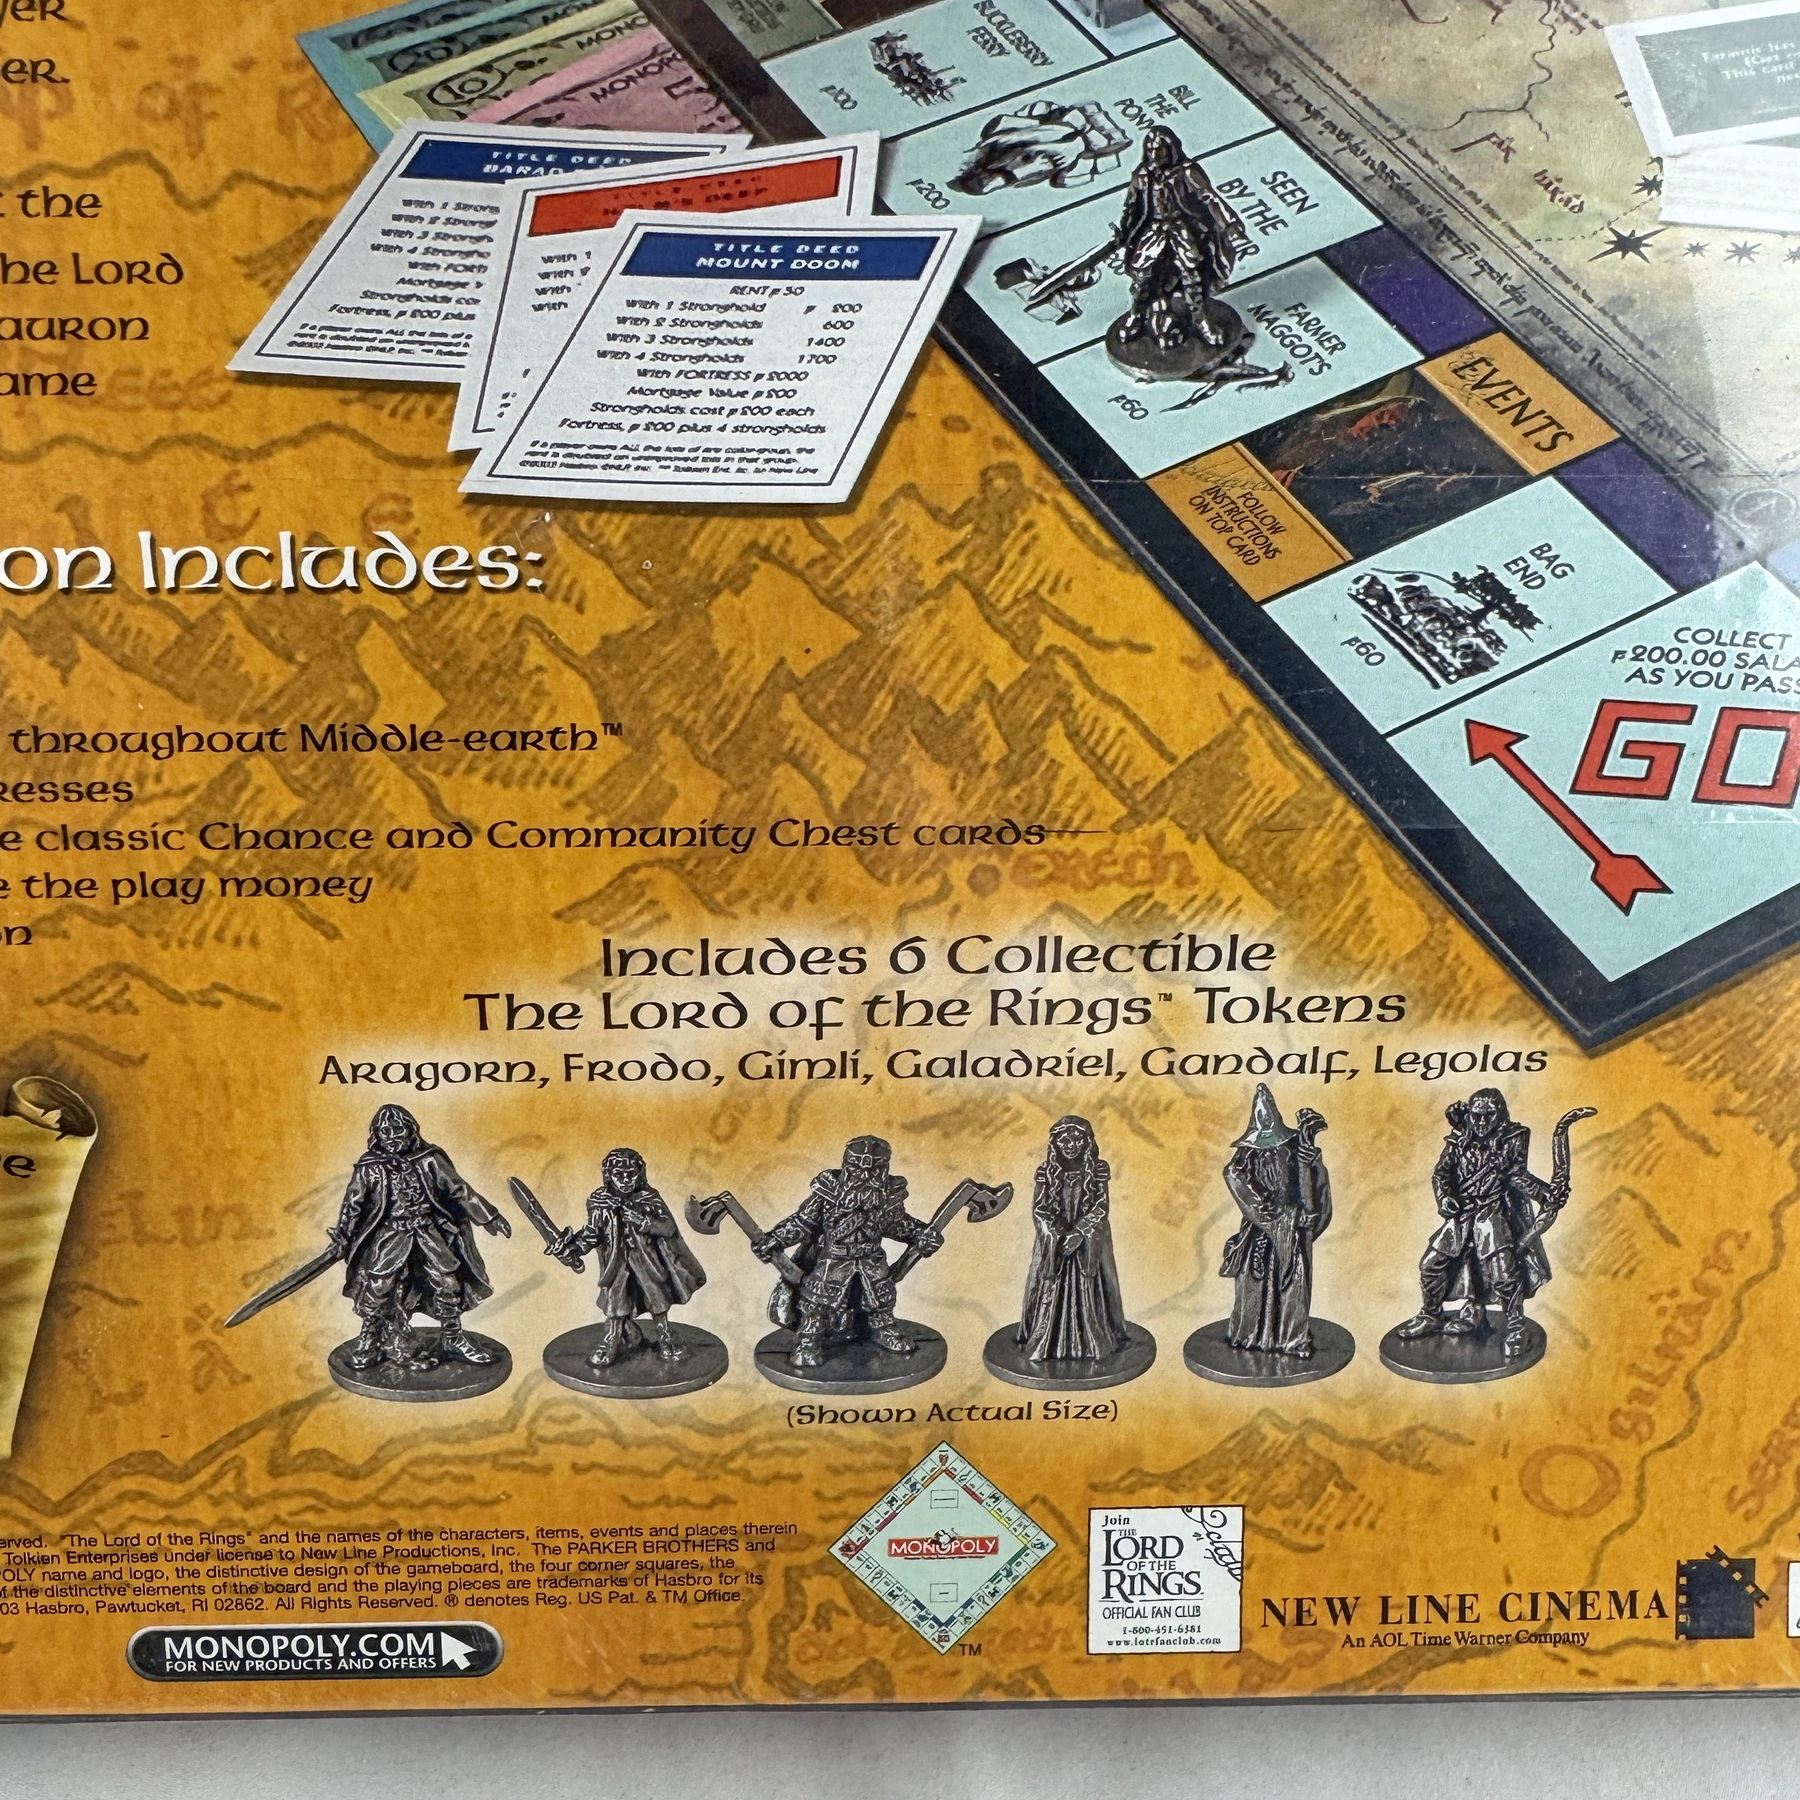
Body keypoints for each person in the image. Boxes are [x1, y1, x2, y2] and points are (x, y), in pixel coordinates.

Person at [333, 1103, 511, 1372]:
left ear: (410, 1130)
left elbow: (458, 1189)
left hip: (427, 1232)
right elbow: (353, 1204)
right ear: (376, 1135)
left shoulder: (430, 1159)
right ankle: (370, 1340)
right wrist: (343, 1237)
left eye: (398, 1129)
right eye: (385, 1131)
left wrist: (489, 1216)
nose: (392, 1136)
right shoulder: (370, 1167)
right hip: (391, 1236)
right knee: (379, 1286)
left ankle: (452, 1337)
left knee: (448, 1282)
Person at [1395, 1088, 1570, 1361]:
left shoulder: (1510, 1140)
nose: (1481, 1122)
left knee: (1503, 1273)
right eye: (1476, 1115)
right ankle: (1431, 1315)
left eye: (1488, 1115)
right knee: (1431, 1265)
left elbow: (1517, 1176)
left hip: (1492, 1213)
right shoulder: (1459, 1139)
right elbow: (1441, 1173)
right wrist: (1444, 1197)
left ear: (1500, 1115)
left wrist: (1546, 1194)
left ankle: (1516, 1327)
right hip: (1462, 1213)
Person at [753, 1135, 943, 1369]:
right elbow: (802, 1223)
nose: (864, 1175)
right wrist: (775, 1239)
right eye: (857, 1167)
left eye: (873, 1169)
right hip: (834, 1258)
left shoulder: (888, 1197)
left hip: (871, 1258)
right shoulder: (827, 1193)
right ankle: (809, 1340)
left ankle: (883, 1329)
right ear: (847, 1165)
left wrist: (922, 1234)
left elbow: (898, 1224)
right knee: (818, 1301)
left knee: (880, 1297)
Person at [560, 1147, 706, 1368]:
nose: (626, 1180)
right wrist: (576, 1248)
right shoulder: (599, 1202)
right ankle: (613, 1337)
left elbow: (668, 1227)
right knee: (616, 1300)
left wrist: (643, 1221)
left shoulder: (649, 1198)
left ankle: (665, 1332)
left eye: (631, 1174)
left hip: (647, 1260)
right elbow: (592, 1233)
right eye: (619, 1174)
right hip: (615, 1263)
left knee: (657, 1296)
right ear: (608, 1175)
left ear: (640, 1173)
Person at [1219, 1086, 1330, 1357]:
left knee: (1294, 1283)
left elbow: (1313, 1187)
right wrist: (1270, 1211)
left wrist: (1314, 1165)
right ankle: (1250, 1336)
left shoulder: (1293, 1148)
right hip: (1260, 1232)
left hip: (1293, 1232)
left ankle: (1292, 1338)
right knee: (1254, 1284)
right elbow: (1234, 1176)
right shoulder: (1245, 1157)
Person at [1115, 125, 1246, 353]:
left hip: (1181, 229)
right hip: (1154, 230)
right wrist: (1124, 231)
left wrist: (1229, 223)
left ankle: (1201, 321)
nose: (1155, 154)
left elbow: (1209, 197)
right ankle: (1136, 316)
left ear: (1171, 149)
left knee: (1192, 276)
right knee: (1144, 277)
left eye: (1160, 149)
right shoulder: (1142, 175)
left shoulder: (1186, 171)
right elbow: (1132, 206)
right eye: (1150, 149)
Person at [1016, 1115, 1130, 1363]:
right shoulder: (1046, 1172)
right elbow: (1040, 1209)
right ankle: (1047, 1341)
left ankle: (1093, 1339)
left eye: (1078, 1139)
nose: (1071, 1145)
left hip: (1088, 1244)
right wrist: (1056, 1235)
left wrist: (1080, 1233)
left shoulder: (1098, 1170)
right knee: (1051, 1288)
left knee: (1091, 1289)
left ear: (1088, 1142)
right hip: (1055, 1244)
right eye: (1064, 1140)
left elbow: (1101, 1207)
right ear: (1055, 1143)